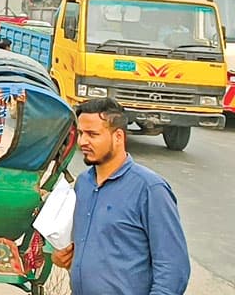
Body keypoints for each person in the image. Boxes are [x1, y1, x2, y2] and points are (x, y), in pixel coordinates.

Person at [51, 98, 190, 295]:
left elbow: (173, 269)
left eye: (93, 134)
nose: (82, 142)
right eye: (81, 133)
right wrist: (61, 258)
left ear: (118, 137)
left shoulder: (150, 189)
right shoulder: (83, 184)